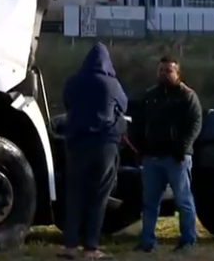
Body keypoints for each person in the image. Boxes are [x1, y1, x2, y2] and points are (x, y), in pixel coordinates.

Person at [58, 42, 128, 260]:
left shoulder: (73, 82)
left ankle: (70, 246)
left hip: (77, 144)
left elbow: (68, 104)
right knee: (98, 197)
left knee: (75, 195)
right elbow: (123, 106)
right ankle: (91, 247)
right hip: (104, 145)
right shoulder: (112, 84)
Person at [130, 56, 202, 253]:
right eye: (161, 70)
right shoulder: (150, 96)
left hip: (176, 158)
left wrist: (182, 148)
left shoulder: (187, 96)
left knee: (183, 200)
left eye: (169, 70)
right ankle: (147, 242)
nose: (164, 74)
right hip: (152, 158)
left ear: (177, 73)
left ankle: (188, 239)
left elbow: (195, 124)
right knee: (150, 203)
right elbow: (138, 122)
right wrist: (139, 147)